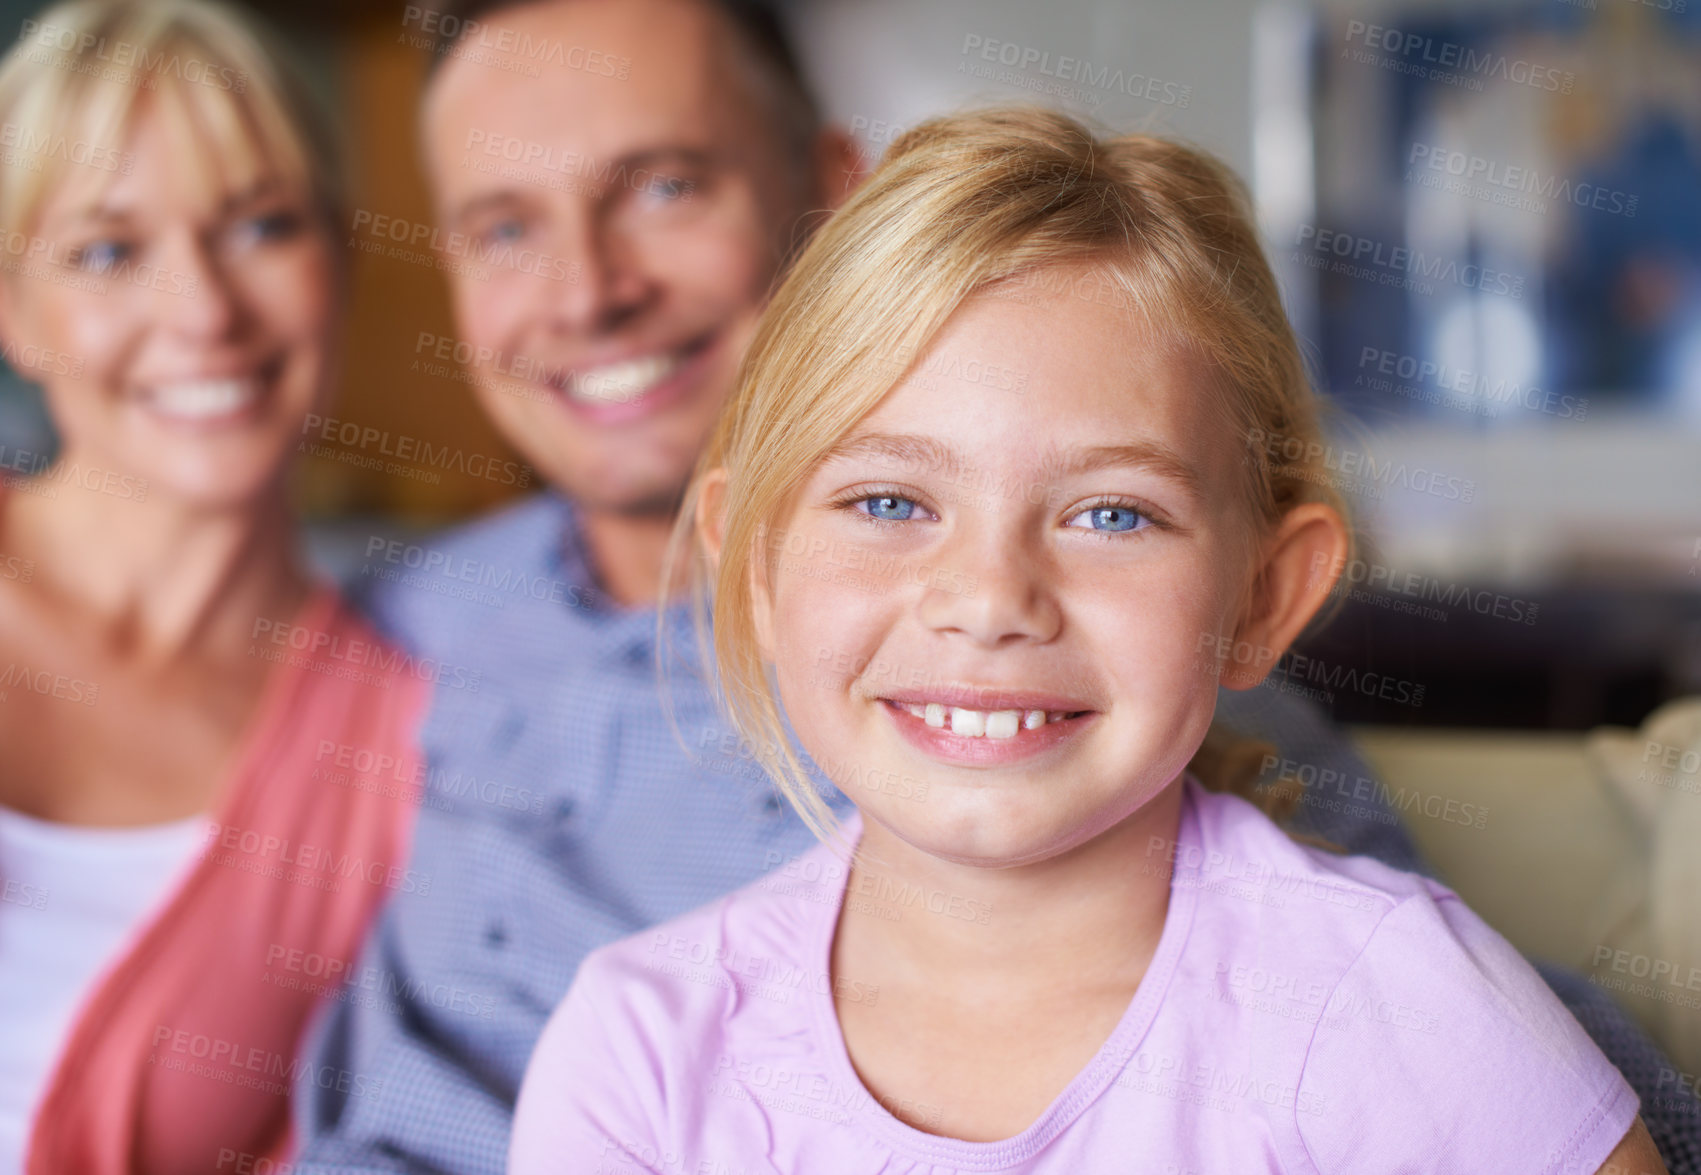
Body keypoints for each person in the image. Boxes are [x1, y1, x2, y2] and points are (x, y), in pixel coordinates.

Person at [292, 2, 1418, 1172]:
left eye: (664, 188)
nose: (585, 291)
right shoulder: (407, 613)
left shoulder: (1041, 685)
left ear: (837, 196)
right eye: (505, 227)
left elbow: (1439, 1055)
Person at [507, 106, 1668, 1174]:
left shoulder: (1401, 1008)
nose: (988, 596)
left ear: (1264, 595)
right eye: (889, 502)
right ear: (753, 563)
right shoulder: (643, 1050)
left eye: (1112, 513)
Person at [0, 2, 429, 1172]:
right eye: (106, 250)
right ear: (14, 313)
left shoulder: (395, 745)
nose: (200, 310)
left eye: (259, 227)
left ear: (337, 264)